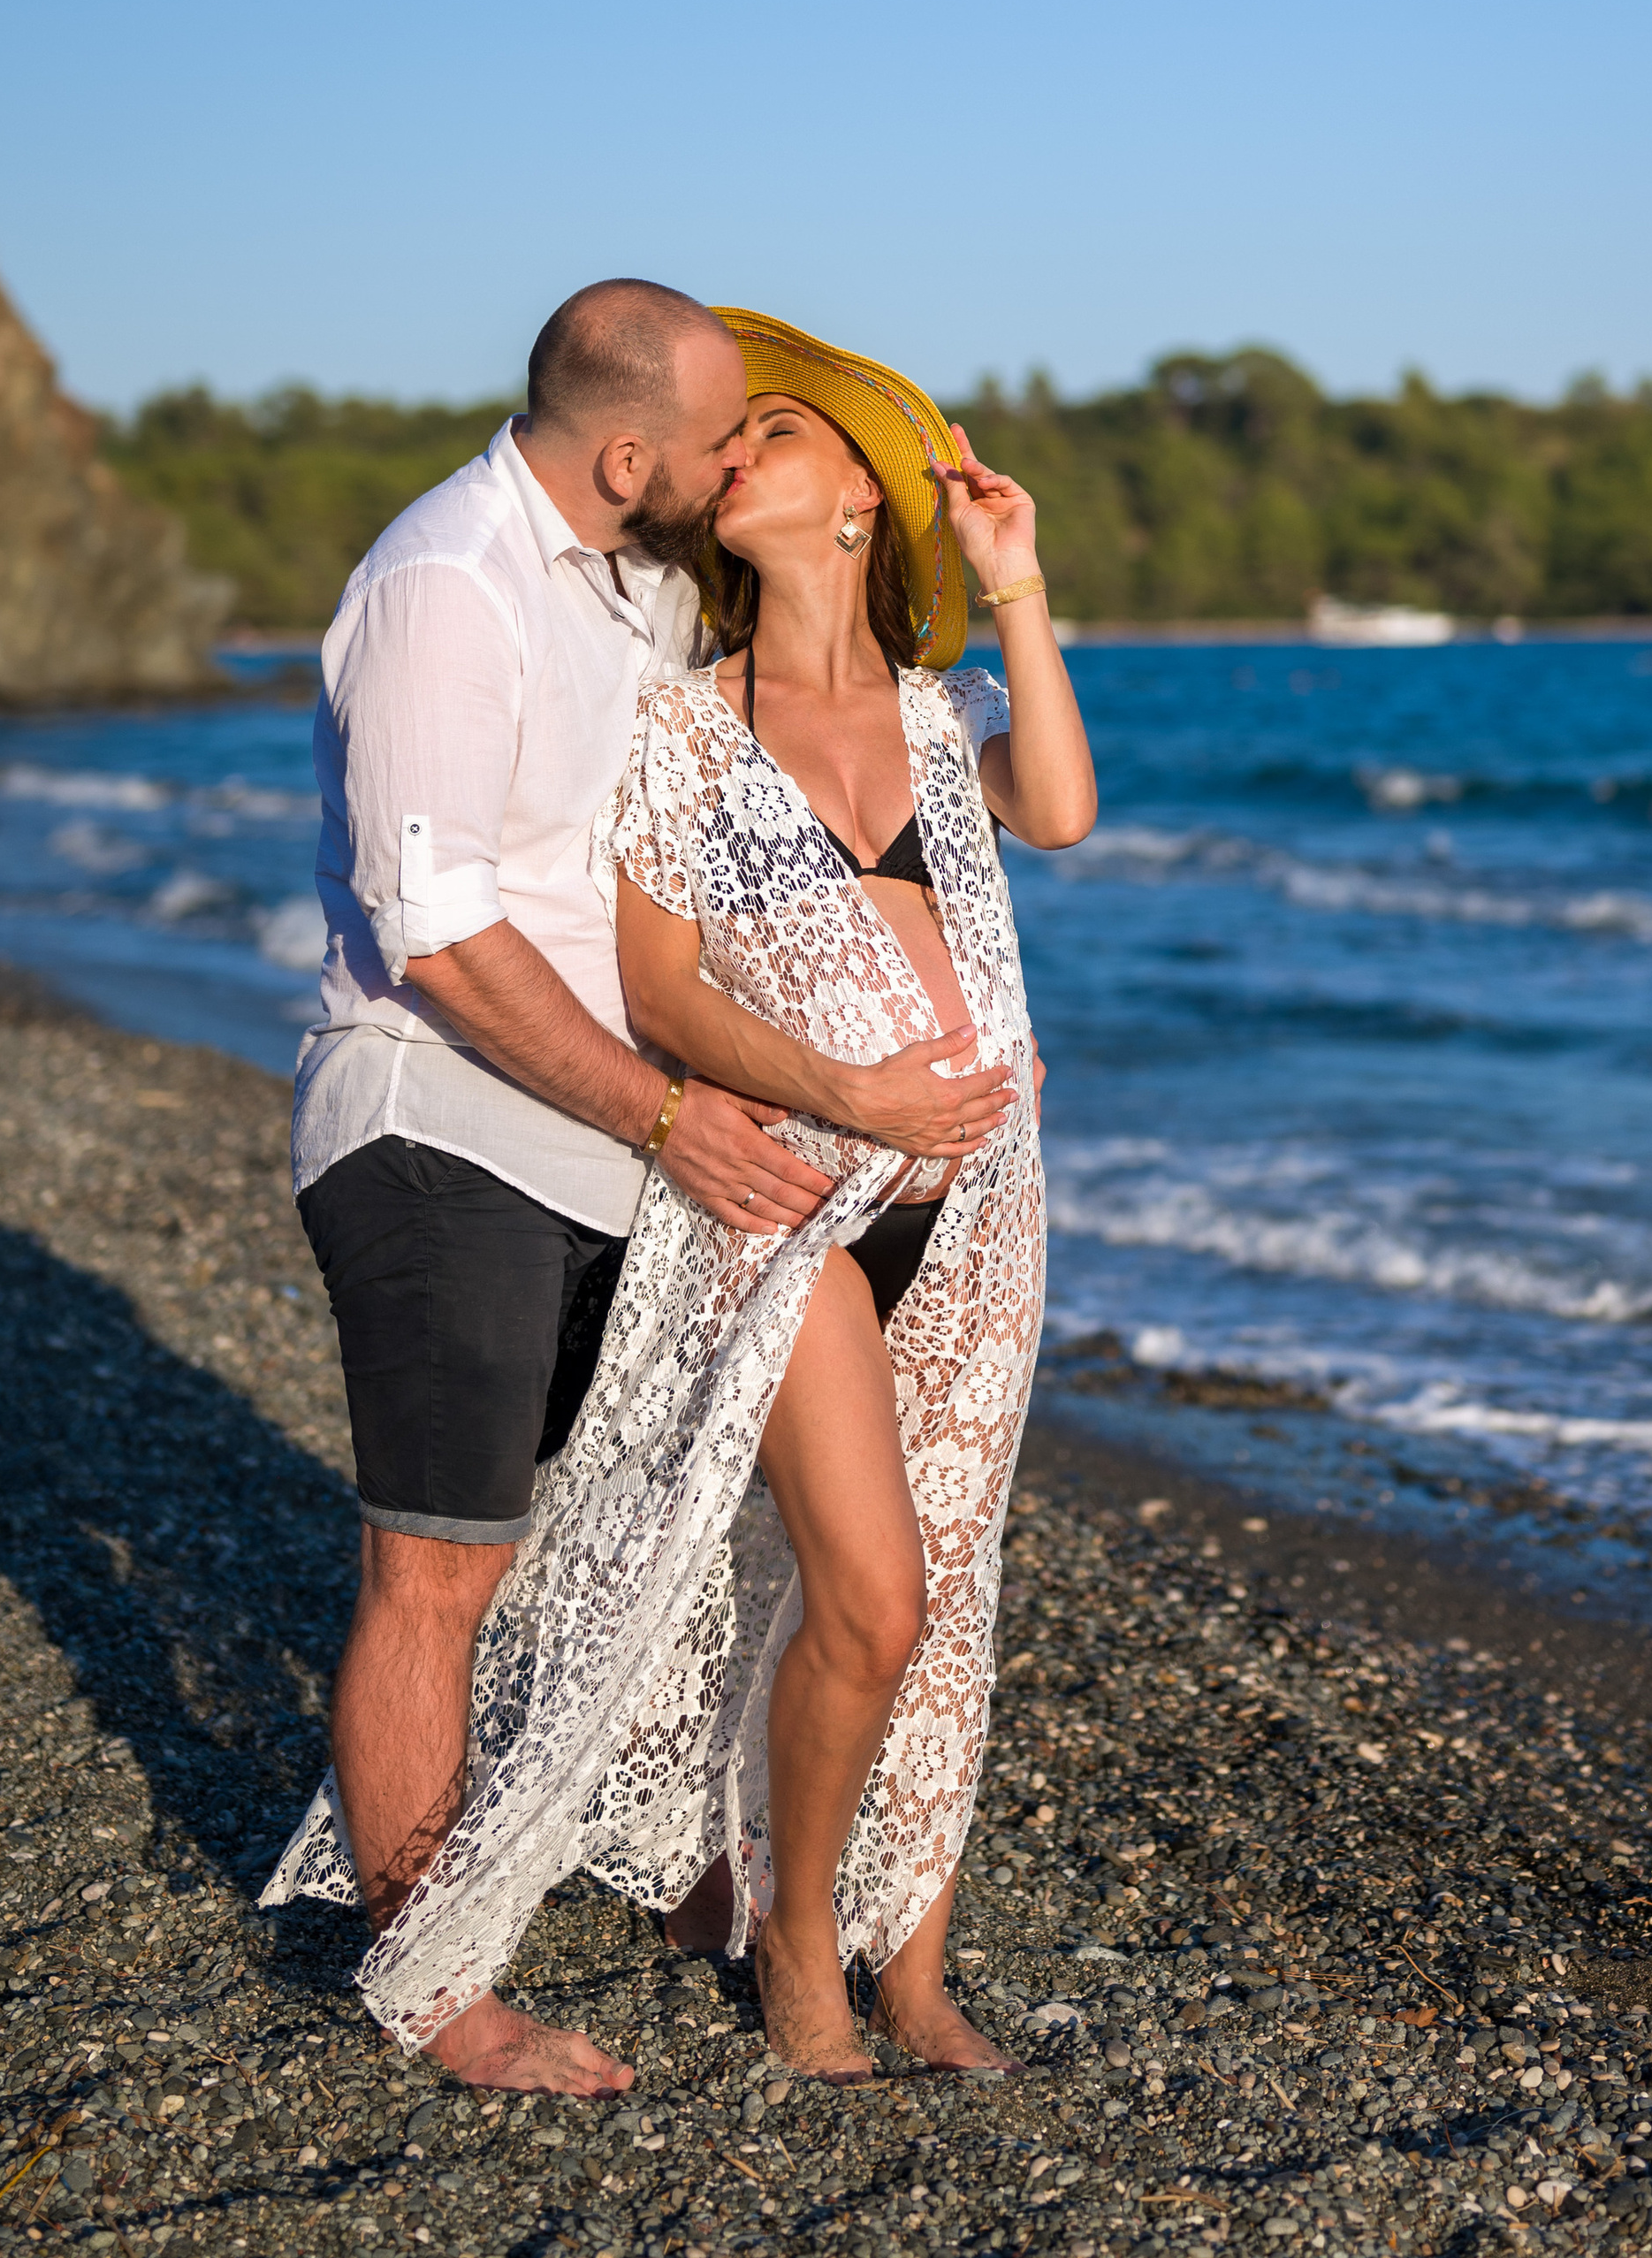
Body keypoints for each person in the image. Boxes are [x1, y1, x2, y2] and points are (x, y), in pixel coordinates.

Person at [270, 312, 1094, 2087]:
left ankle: (890, 1950)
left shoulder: (864, 683)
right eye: (720, 435)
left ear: (865, 503)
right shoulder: (560, 639)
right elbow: (558, 959)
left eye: (773, 436)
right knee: (755, 1584)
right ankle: (587, 1961)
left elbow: (1061, 809)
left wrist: (1010, 581)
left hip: (953, 1190)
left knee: (927, 1592)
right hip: (693, 1165)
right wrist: (794, 1098)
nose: (734, 458)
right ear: (637, 459)